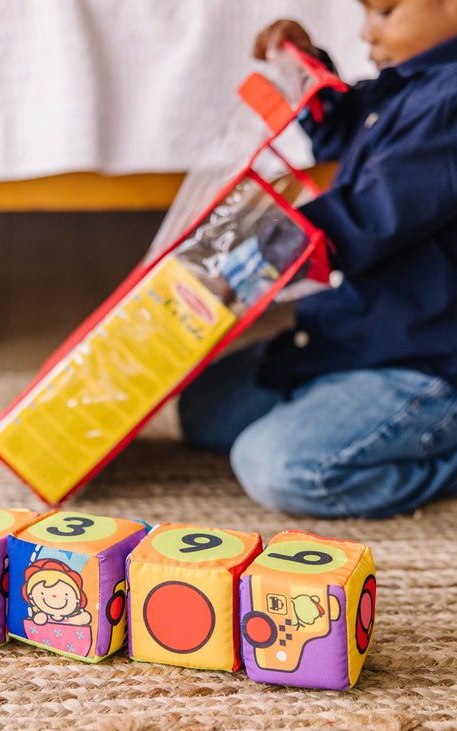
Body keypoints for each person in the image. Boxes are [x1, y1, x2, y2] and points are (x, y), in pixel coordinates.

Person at [178, 0, 457, 518]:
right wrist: (309, 65)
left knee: (277, 468)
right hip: (349, 335)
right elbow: (342, 126)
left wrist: (248, 263)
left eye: (385, 12)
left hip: (420, 359)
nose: (366, 32)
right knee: (203, 410)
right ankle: (334, 399)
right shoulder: (406, 84)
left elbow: (367, 214)